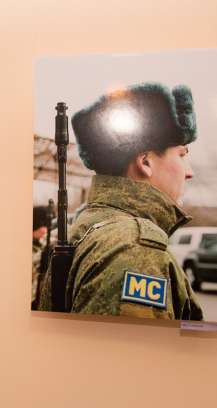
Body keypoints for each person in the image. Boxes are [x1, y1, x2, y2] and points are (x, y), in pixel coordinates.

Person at [38, 82, 204, 321]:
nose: (189, 172)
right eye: (182, 155)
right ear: (145, 162)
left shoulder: (88, 225)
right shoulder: (133, 246)